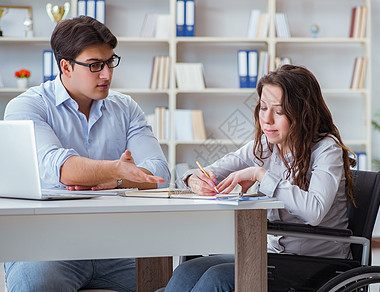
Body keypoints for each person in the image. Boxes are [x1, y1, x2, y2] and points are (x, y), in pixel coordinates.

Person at [3, 16, 170, 292]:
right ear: (65, 66)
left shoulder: (126, 108)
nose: (106, 74)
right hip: (46, 246)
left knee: (170, 281)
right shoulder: (26, 107)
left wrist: (116, 181)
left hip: (116, 246)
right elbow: (60, 168)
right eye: (94, 65)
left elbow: (160, 172)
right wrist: (118, 170)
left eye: (110, 62)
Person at [164, 64, 356, 291]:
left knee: (218, 277)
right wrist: (193, 179)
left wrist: (260, 174)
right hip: (273, 257)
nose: (267, 119)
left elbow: (314, 211)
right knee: (188, 270)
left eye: (279, 111)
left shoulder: (326, 149)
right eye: (263, 108)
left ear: (303, 112)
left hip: (317, 265)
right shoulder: (265, 146)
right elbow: (209, 171)